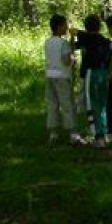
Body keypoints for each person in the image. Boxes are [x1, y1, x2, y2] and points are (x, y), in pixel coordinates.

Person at [71, 14, 112, 148]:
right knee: (102, 105)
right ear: (99, 26)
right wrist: (109, 75)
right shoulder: (107, 41)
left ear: (86, 27)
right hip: (103, 73)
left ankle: (99, 137)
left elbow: (73, 41)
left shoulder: (87, 38)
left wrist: (73, 33)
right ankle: (104, 134)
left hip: (91, 73)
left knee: (93, 105)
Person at [44, 14, 84, 146]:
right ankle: (73, 134)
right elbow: (66, 61)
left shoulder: (48, 42)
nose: (67, 27)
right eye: (65, 25)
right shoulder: (63, 43)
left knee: (52, 104)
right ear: (59, 27)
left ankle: (53, 133)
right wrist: (73, 59)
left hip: (50, 75)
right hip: (62, 76)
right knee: (67, 104)